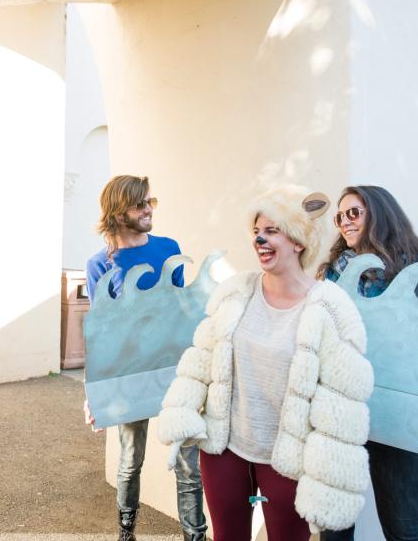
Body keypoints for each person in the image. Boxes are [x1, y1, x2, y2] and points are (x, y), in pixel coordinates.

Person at [157, 185, 373, 540]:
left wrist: (329, 481)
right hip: (224, 448)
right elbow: (201, 359)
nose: (260, 239)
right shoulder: (236, 292)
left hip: (287, 459)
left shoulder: (328, 307)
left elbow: (341, 404)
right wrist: (181, 414)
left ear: (298, 240)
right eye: (257, 231)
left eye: (272, 231)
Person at [84, 175, 207, 541]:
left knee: (188, 465)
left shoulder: (169, 247)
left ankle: (194, 536)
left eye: (150, 202)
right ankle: (126, 533)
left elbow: (182, 309)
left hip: (175, 370)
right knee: (130, 461)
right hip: (130, 376)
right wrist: (95, 393)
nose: (148, 209)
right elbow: (101, 334)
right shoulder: (99, 264)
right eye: (140, 205)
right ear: (119, 213)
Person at [318, 185, 418, 541]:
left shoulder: (412, 273)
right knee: (334, 523)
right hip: (342, 408)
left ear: (380, 214)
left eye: (354, 213)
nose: (345, 222)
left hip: (395, 410)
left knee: (404, 523)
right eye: (340, 216)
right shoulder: (332, 273)